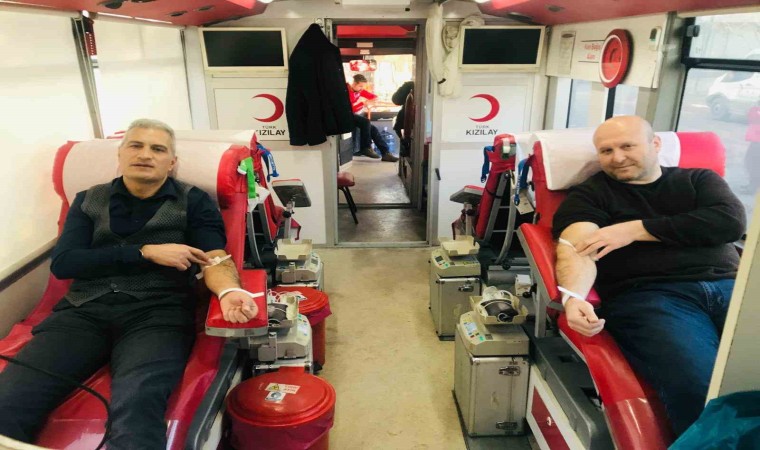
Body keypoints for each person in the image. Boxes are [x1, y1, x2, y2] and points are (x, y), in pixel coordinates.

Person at [0, 119, 258, 449]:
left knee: (137, 408)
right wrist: (144, 252)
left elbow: (215, 257)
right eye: (136, 145)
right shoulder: (87, 200)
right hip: (81, 313)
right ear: (120, 155)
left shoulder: (193, 201)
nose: (145, 154)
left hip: (156, 316)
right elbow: (65, 263)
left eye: (158, 149)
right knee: (9, 399)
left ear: (172, 162)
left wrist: (229, 291)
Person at [552, 116, 746, 437]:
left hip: (731, 287)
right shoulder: (591, 195)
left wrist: (634, 230)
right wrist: (573, 297)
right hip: (652, 296)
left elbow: (729, 223)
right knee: (701, 385)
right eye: (606, 151)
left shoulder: (698, 179)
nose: (617, 158)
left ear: (655, 144)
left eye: (627, 146)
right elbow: (577, 248)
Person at [348, 74, 398, 162]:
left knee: (373, 129)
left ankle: (385, 153)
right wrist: (363, 103)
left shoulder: (359, 91)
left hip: (354, 114)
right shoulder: (347, 91)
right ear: (354, 83)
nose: (362, 88)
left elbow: (374, 97)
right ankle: (366, 147)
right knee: (366, 122)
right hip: (346, 115)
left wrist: (370, 101)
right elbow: (351, 108)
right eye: (360, 86)